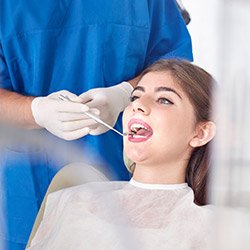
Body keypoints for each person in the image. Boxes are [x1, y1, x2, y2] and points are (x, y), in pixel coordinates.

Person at [0, 0, 192, 248]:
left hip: (123, 174)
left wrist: (125, 93)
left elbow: (178, 69)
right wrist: (35, 111)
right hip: (27, 187)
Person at [27, 59, 216, 250]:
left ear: (200, 133)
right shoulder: (73, 201)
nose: (138, 105)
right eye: (134, 98)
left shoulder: (216, 228)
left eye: (164, 100)